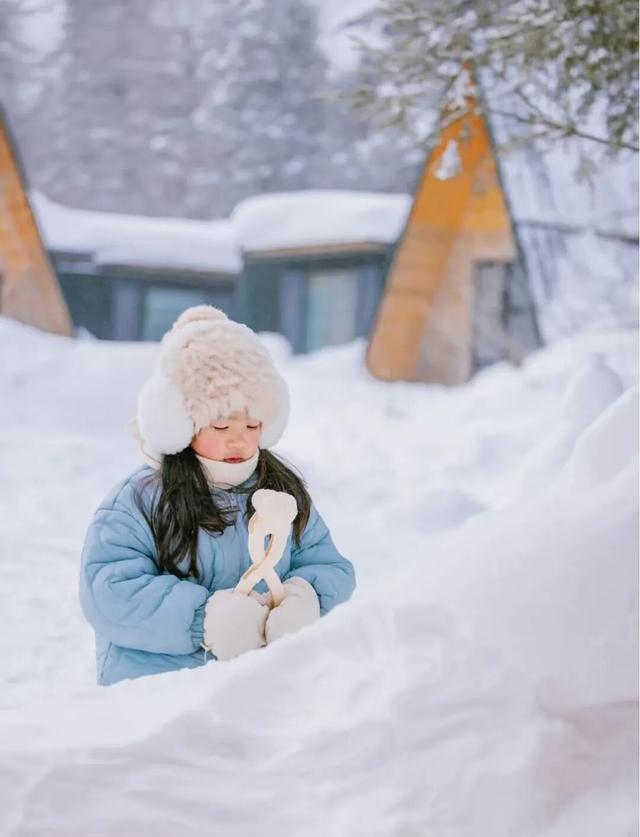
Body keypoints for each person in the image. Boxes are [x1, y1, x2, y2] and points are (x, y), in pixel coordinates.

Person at [79, 305, 356, 686]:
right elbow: (109, 590)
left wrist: (308, 598)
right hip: (158, 691)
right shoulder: (141, 498)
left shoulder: (280, 490)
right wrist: (202, 621)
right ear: (180, 424)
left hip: (259, 690)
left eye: (252, 423)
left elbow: (330, 566)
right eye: (221, 423)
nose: (238, 437)